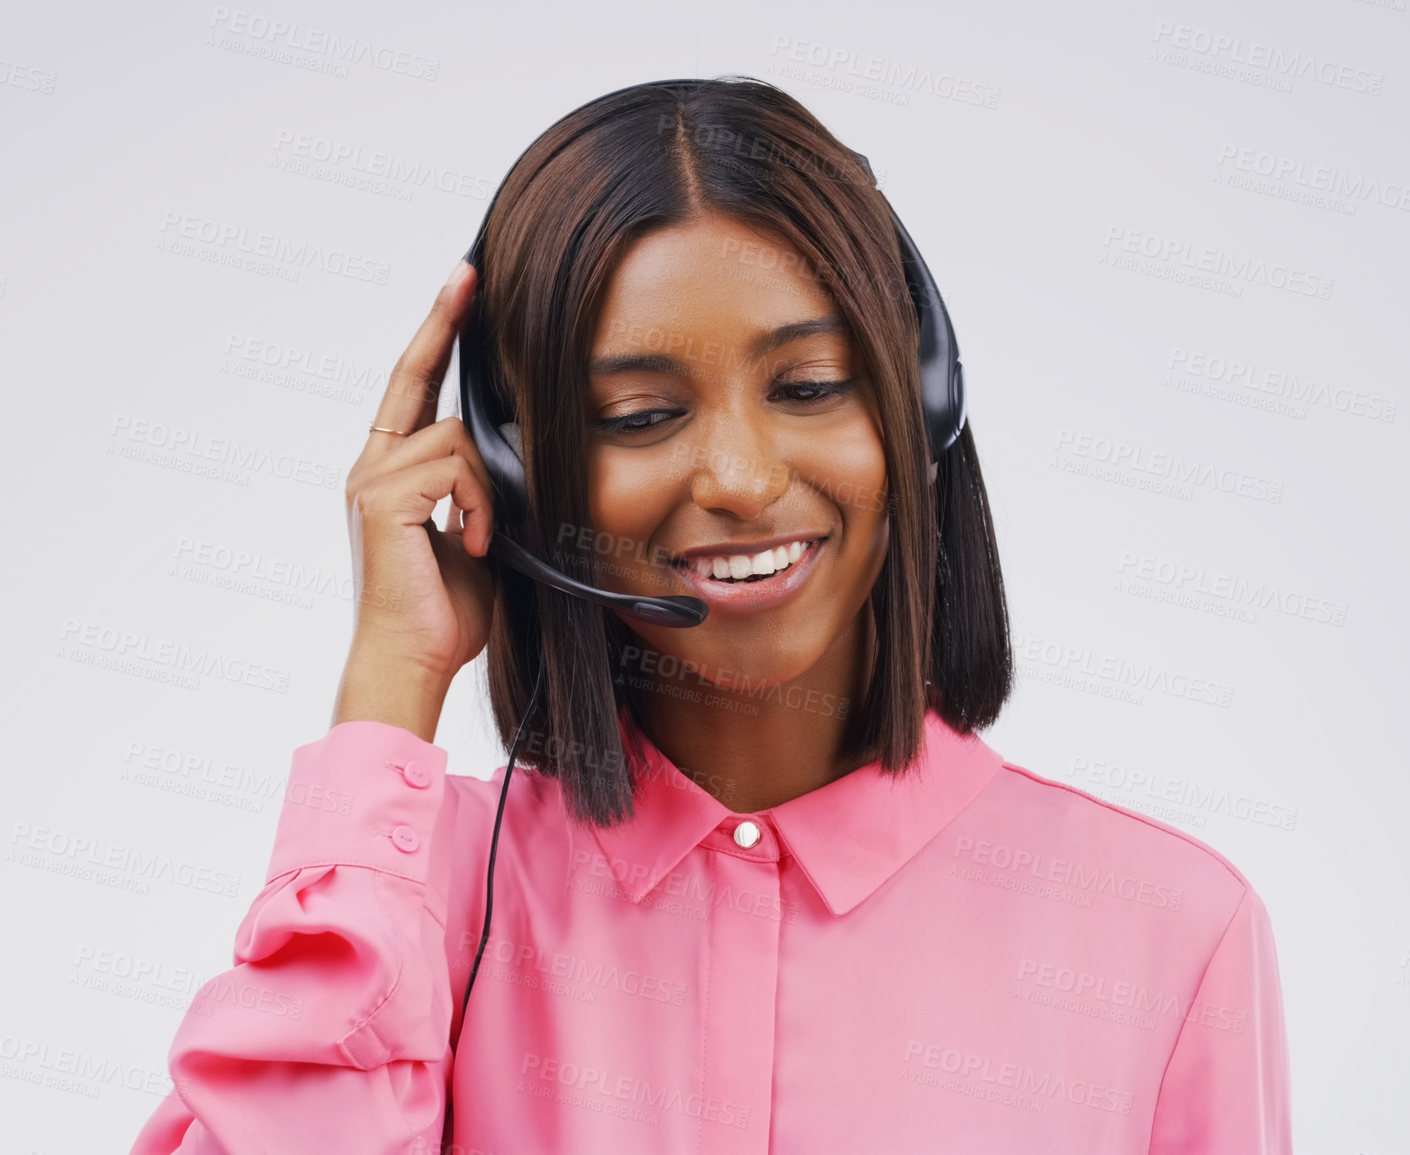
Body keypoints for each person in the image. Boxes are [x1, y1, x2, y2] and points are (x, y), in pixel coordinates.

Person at [129, 77, 1291, 1154]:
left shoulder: (1167, 931)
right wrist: (391, 673)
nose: (738, 474)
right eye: (638, 415)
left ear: (919, 403)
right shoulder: (403, 906)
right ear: (517, 469)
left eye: (809, 388)